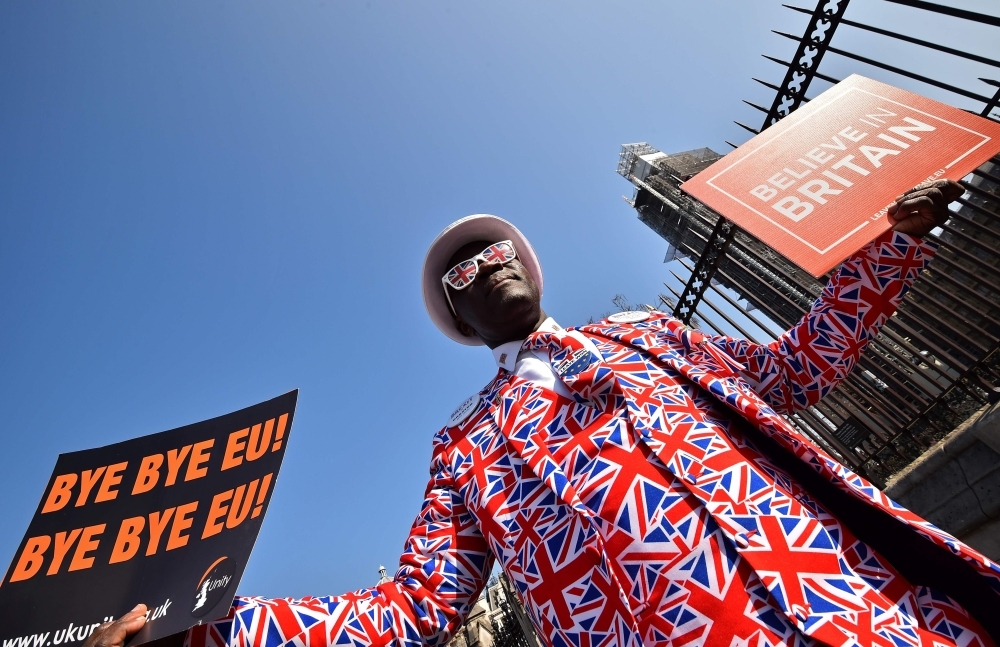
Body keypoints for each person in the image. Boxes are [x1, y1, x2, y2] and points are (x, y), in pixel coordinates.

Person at [87, 180, 1000, 647]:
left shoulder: (649, 330)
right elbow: (409, 611)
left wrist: (890, 250)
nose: (488, 264)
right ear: (457, 318)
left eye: (498, 250)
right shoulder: (465, 449)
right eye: (462, 271)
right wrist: (202, 625)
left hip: (858, 600)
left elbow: (799, 368)